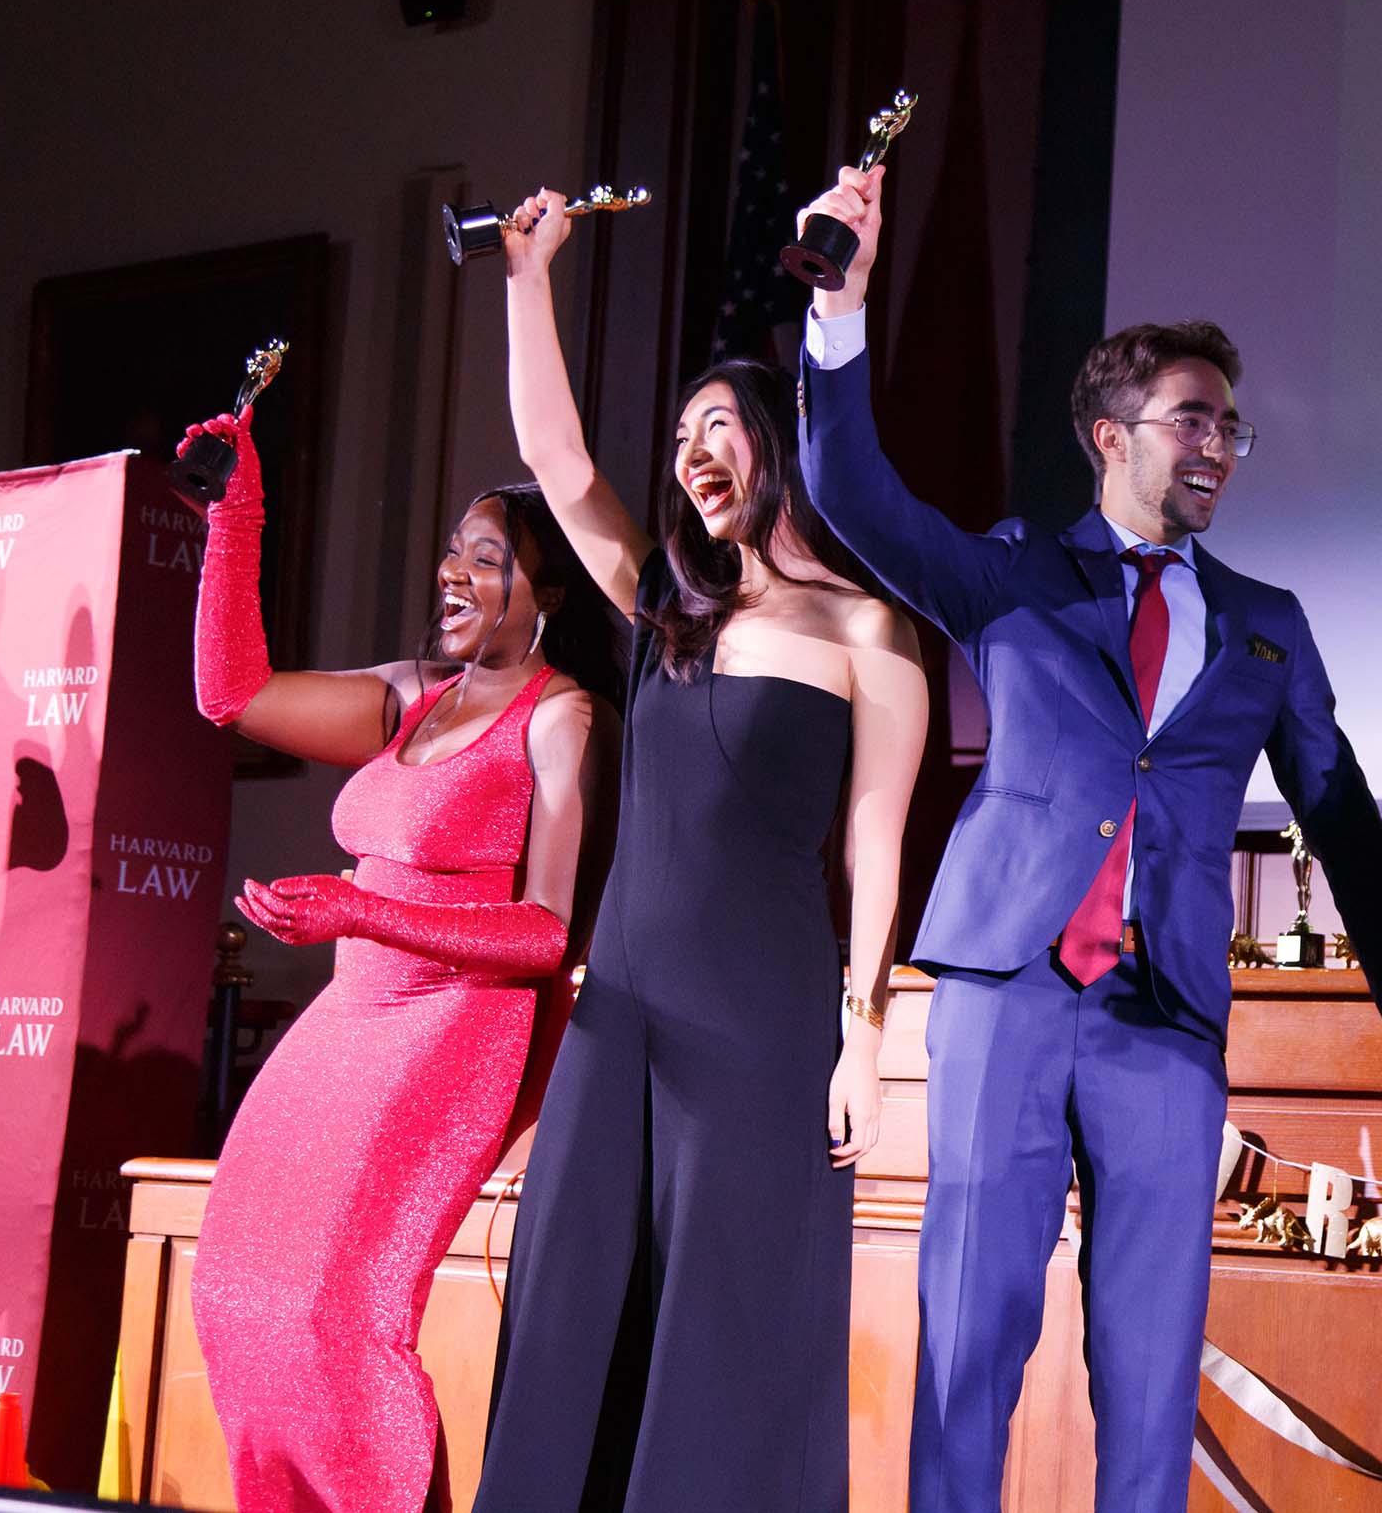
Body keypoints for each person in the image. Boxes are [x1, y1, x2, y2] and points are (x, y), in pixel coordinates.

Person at [792, 164, 1382, 1513]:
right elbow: (852, 496)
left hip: (1165, 1023)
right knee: (969, 1349)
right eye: (1192, 420)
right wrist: (840, 314)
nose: (1219, 445)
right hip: (1008, 993)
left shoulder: (1266, 619)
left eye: (1232, 429)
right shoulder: (1016, 572)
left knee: (1149, 1372)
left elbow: (1334, 817)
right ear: (1109, 433)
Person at [471, 189, 927, 1513]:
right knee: (571, 1303)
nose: (688, 453)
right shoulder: (658, 606)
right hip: (620, 1017)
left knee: (731, 1325)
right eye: (676, 436)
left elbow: (877, 846)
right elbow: (557, 463)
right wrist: (527, 277)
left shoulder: (868, 637)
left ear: (776, 441)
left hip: (765, 1023)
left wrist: (864, 1035)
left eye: (715, 425)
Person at [180, 403, 621, 1513]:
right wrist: (238, 509)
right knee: (240, 1291)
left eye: (490, 557)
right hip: (343, 1024)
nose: (455, 573)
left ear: (550, 594)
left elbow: (546, 932)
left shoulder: (560, 719)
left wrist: (364, 913)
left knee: (338, 1315)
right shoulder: (411, 693)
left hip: (450, 1033)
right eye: (454, 553)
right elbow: (230, 692)